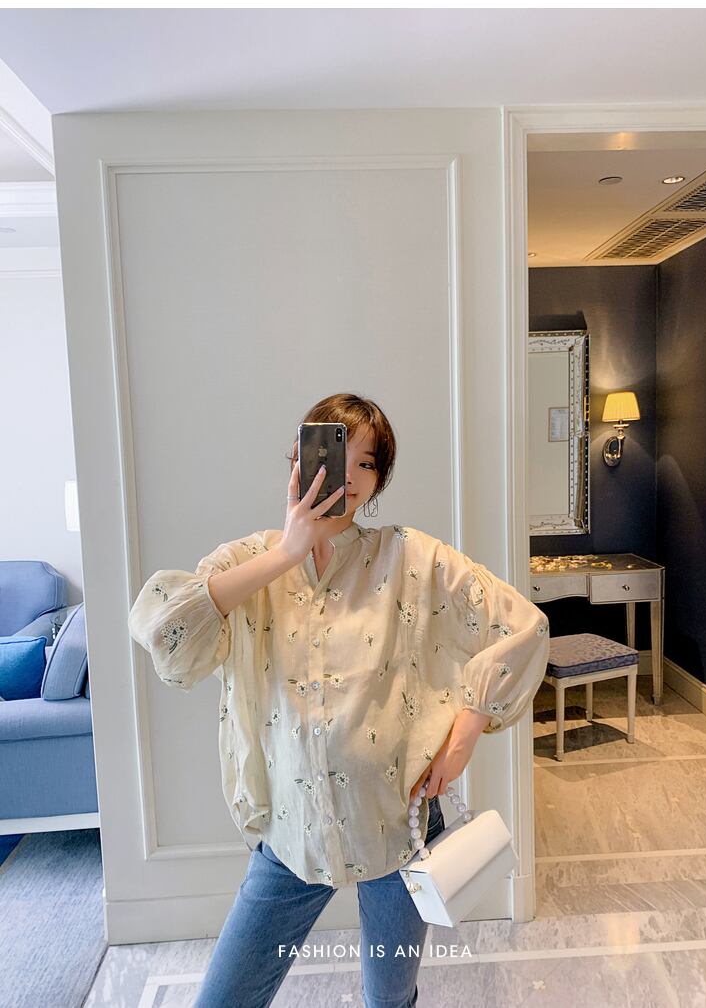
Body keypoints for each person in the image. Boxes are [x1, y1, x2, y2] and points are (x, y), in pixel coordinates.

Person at [128, 392, 550, 1008]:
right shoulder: (249, 561)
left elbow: (525, 627)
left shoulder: (409, 556)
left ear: (379, 480)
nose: (348, 476)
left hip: (399, 828)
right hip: (292, 837)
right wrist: (287, 552)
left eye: (367, 463)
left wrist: (463, 736)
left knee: (389, 999)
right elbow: (167, 634)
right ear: (299, 458)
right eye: (333, 454)